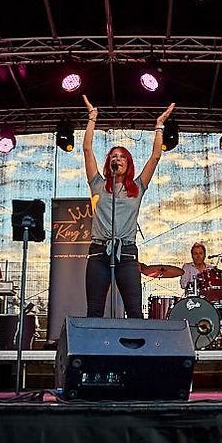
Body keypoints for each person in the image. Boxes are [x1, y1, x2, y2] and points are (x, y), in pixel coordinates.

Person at [83, 95, 175, 318]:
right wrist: (92, 119)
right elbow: (87, 150)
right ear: (109, 163)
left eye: (122, 156)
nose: (118, 159)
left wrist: (159, 126)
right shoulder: (98, 184)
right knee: (94, 311)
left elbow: (155, 157)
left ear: (128, 162)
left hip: (126, 252)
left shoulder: (138, 187)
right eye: (114, 156)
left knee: (134, 310)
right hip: (98, 251)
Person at [180, 242, 222, 343]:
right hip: (195, 301)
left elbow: (217, 287)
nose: (198, 256)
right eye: (195, 253)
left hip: (210, 301)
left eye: (200, 253)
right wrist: (197, 281)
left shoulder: (211, 269)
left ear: (204, 255)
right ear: (192, 255)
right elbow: (183, 284)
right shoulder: (187, 267)